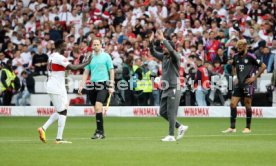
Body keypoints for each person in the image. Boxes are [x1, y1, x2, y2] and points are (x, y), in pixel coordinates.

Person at [38, 40, 92, 144]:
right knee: (62, 111)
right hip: (56, 87)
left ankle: (43, 128)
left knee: (62, 110)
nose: (66, 49)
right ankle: (59, 138)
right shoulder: (59, 57)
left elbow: (63, 69)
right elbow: (73, 67)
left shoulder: (52, 56)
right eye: (64, 47)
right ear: (59, 47)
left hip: (57, 86)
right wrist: (87, 63)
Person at [149, 30, 188, 142]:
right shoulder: (164, 57)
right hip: (166, 88)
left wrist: (163, 39)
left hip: (175, 87)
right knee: (162, 112)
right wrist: (151, 43)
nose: (163, 48)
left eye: (165, 47)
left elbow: (171, 50)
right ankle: (180, 126)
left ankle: (171, 135)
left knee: (171, 112)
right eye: (163, 46)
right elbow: (153, 53)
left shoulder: (176, 56)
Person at [222, 39, 266, 134]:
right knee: (233, 104)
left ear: (245, 46)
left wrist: (254, 77)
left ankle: (248, 127)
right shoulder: (236, 56)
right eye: (237, 47)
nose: (238, 49)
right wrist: (235, 76)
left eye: (240, 47)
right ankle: (232, 127)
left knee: (247, 105)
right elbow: (234, 66)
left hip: (248, 84)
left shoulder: (251, 56)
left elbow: (263, 66)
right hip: (239, 84)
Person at [78, 38, 114, 139]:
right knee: (96, 109)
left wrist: (111, 85)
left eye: (98, 44)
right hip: (92, 85)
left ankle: (99, 132)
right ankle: (100, 131)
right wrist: (81, 85)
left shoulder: (106, 56)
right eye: (94, 44)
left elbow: (111, 71)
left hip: (103, 84)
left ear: (101, 45)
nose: (96, 46)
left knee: (98, 106)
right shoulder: (89, 57)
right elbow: (86, 72)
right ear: (92, 46)